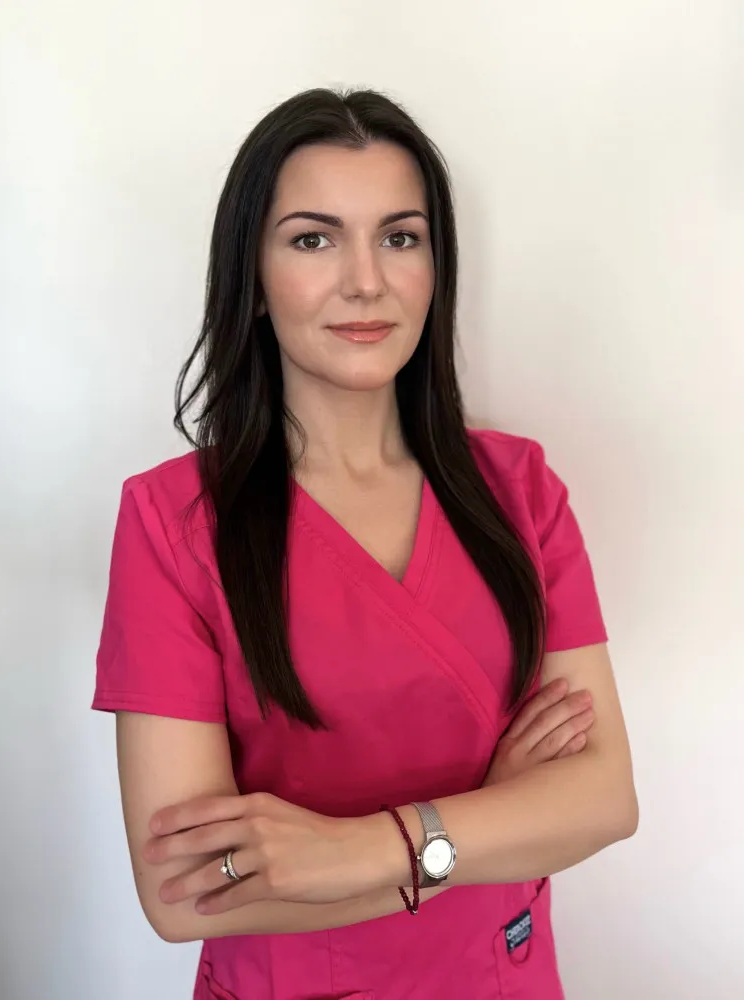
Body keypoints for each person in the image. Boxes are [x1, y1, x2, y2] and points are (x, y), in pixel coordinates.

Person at [92, 87, 638, 1000]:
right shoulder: (173, 523)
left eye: (400, 237)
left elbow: (604, 799)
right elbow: (183, 894)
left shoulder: (520, 491)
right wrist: (490, 821)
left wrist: (359, 848)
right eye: (313, 239)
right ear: (252, 278)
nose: (366, 281)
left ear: (436, 267)